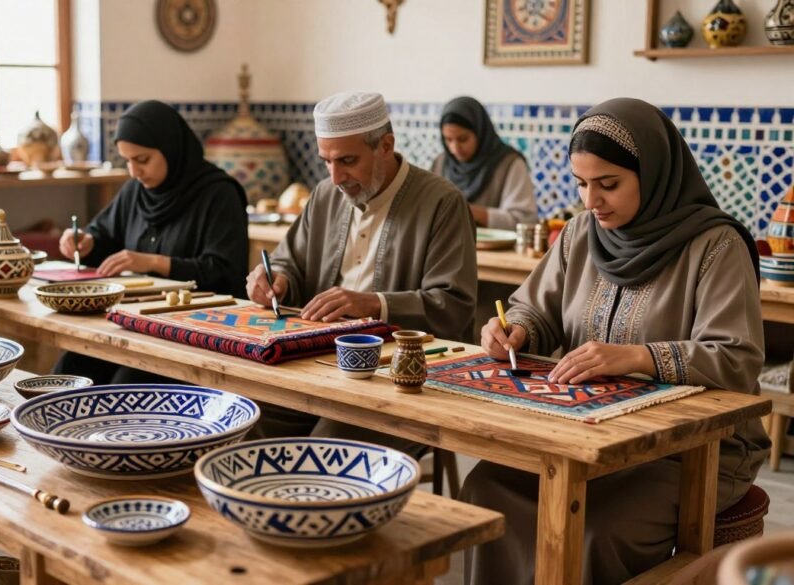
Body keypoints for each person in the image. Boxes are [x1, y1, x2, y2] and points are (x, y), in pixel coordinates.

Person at [464, 98, 770, 584]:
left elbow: (736, 358)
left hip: (690, 451)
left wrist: (638, 357)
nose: (591, 202)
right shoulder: (580, 236)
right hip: (592, 434)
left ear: (654, 174)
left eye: (608, 185)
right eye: (581, 184)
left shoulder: (716, 246)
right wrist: (515, 329)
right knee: (486, 487)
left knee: (595, 529)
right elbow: (535, 308)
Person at [244, 90, 478, 455]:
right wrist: (277, 279)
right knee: (245, 419)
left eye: (348, 161)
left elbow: (453, 304)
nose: (336, 176)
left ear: (386, 145)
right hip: (318, 367)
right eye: (326, 162)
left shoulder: (442, 203)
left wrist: (371, 304)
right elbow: (290, 261)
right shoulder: (324, 195)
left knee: (327, 448)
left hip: (400, 381)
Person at [53, 100, 249, 384]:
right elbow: (106, 235)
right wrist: (85, 241)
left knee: (124, 385)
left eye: (142, 160)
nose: (133, 171)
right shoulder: (137, 190)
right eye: (127, 161)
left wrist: (153, 262)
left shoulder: (219, 194)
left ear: (171, 149)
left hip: (191, 333)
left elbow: (225, 272)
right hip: (133, 324)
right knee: (68, 371)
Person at [431, 96, 538, 230]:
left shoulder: (509, 164)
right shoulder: (441, 163)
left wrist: (469, 211)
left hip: (498, 250)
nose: (455, 148)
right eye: (448, 140)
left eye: (463, 139)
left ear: (480, 132)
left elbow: (525, 221)